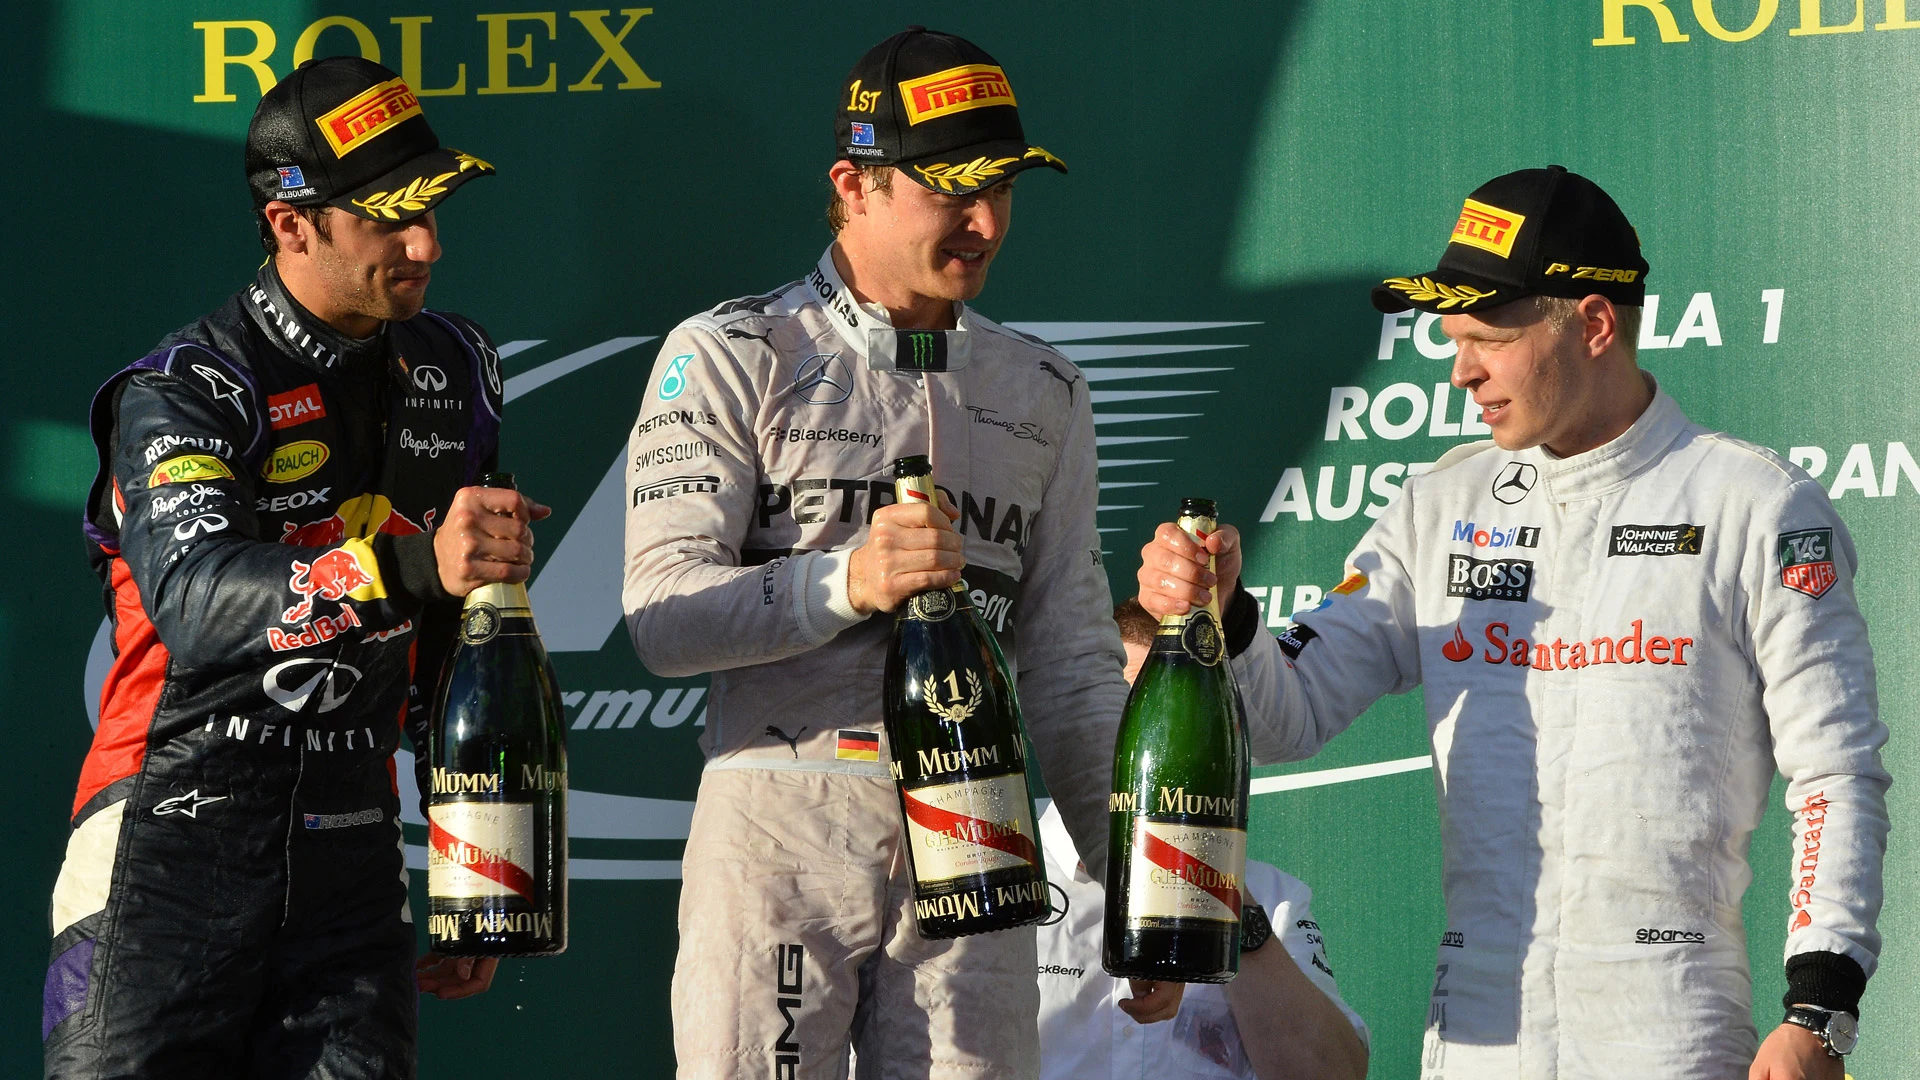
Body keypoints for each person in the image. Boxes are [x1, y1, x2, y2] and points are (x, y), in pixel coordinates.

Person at [1136, 166, 1889, 1080]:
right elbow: (1288, 717)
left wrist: (1819, 1010)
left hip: (1670, 1021)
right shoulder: (1438, 506)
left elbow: (1835, 771)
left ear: (1595, 324)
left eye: (1489, 340)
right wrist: (1228, 617)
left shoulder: (1755, 506)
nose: (1462, 371)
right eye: (1455, 342)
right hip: (1478, 1027)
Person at [623, 26, 1168, 1078]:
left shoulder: (1042, 389)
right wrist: (845, 580)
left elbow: (1069, 664)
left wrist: (1134, 885)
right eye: (953, 190)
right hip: (782, 813)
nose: (985, 223)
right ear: (854, 186)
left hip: (980, 826)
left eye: (1001, 189)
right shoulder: (735, 351)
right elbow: (661, 614)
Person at [45, 56, 538, 1080]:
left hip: (349, 852)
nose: (427, 245)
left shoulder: (456, 367)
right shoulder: (185, 388)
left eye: (432, 211)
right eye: (391, 220)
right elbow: (194, 601)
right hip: (166, 843)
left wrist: (482, 864)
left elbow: (459, 636)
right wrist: (407, 564)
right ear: (290, 223)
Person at [1034, 599, 1369, 1080]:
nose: (1154, 744)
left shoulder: (1270, 899)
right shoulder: (1001, 868)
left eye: (1176, 722)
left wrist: (1223, 899)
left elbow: (1333, 1074)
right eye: (1131, 716)